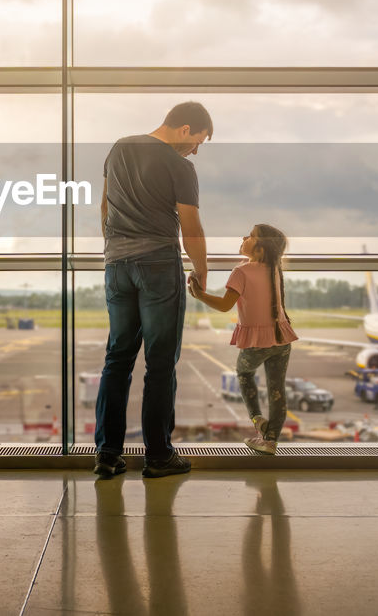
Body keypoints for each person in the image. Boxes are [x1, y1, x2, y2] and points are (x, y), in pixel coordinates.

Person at [94, 101, 212, 480]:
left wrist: (114, 253)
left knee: (117, 359)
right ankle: (158, 455)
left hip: (117, 266)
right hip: (159, 266)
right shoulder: (180, 166)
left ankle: (108, 455)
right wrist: (201, 270)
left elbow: (104, 208)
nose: (196, 150)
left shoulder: (119, 148)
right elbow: (191, 226)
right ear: (184, 128)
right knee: (160, 363)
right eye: (198, 140)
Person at [189, 224, 298, 455]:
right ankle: (270, 441)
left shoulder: (242, 271)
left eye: (250, 236)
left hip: (258, 341)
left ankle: (257, 420)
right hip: (281, 338)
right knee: (277, 389)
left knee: (244, 373)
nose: (244, 237)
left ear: (259, 249)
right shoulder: (274, 268)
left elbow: (225, 305)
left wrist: (200, 295)